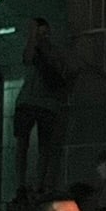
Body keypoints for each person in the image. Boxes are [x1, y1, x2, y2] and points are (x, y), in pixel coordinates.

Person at [15, 17, 73, 194]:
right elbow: (28, 57)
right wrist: (33, 36)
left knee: (45, 146)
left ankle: (39, 184)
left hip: (47, 104)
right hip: (27, 101)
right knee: (22, 144)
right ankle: (20, 185)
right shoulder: (33, 50)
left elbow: (61, 74)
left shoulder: (55, 52)